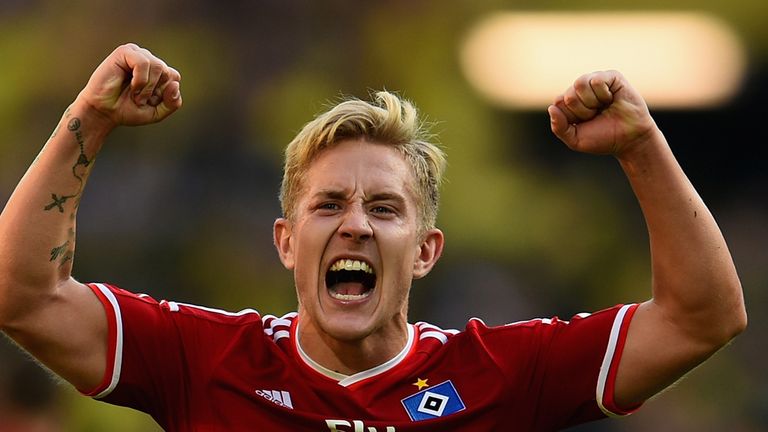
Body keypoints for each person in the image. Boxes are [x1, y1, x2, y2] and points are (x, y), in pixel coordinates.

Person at [0, 43, 746, 431]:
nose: (355, 222)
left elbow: (702, 317)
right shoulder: (201, 362)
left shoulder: (502, 376)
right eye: (329, 205)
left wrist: (641, 145)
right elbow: (21, 295)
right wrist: (89, 117)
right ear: (287, 241)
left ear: (426, 251)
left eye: (385, 209)